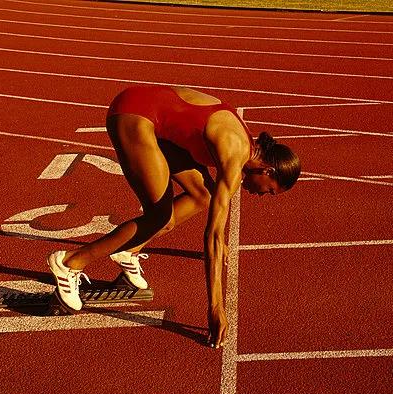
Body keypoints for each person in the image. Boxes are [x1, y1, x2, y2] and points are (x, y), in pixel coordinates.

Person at [47, 85, 300, 348]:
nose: (261, 195)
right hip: (134, 113)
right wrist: (216, 307)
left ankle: (129, 250)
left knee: (203, 195)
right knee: (159, 216)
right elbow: (212, 235)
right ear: (268, 171)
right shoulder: (234, 151)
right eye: (269, 191)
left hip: (157, 122)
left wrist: (220, 240)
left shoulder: (246, 145)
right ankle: (70, 263)